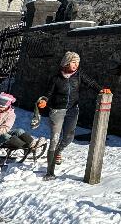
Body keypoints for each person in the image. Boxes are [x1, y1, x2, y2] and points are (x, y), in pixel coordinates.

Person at [38, 51, 100, 179]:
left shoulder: (78, 75)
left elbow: (91, 83)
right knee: (54, 139)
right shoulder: (56, 78)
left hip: (72, 110)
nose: (76, 65)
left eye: (77, 62)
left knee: (69, 137)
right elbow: (47, 93)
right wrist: (44, 100)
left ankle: (58, 152)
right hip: (57, 110)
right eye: (73, 62)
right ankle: (50, 172)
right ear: (66, 62)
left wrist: (101, 89)